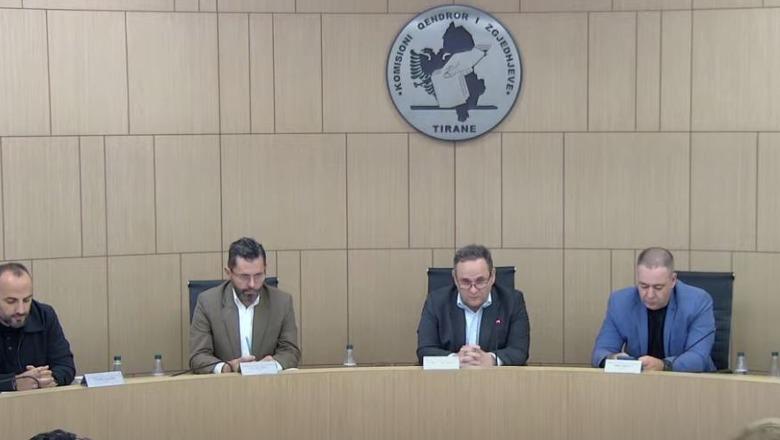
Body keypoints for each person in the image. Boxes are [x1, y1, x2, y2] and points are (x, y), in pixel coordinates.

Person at [591, 247, 716, 372]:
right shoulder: (620, 302)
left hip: (689, 380)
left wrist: (663, 365)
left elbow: (698, 357)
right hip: (638, 380)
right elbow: (601, 352)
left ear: (673, 280)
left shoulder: (698, 302)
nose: (650, 295)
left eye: (658, 287)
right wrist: (612, 359)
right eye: (644, 286)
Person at [190, 237, 300, 373]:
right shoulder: (208, 303)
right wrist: (228, 367)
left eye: (258, 275)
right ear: (229, 273)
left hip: (269, 382)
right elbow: (198, 357)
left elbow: (290, 351)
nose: (252, 284)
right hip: (226, 384)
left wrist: (272, 365)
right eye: (244, 277)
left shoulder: (282, 302)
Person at [416, 244, 530, 367]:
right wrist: (455, 360)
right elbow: (425, 351)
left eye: (480, 281)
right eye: (465, 282)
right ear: (455, 278)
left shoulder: (512, 302)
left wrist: (491, 359)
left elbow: (519, 351)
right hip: (449, 377)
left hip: (495, 377)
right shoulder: (436, 302)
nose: (473, 290)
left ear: (492, 276)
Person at [0, 262, 75, 391]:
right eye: (11, 301)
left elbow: (66, 366)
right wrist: (13, 383)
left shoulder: (44, 315)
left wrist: (50, 378)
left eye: (26, 300)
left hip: (40, 401)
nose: (21, 310)